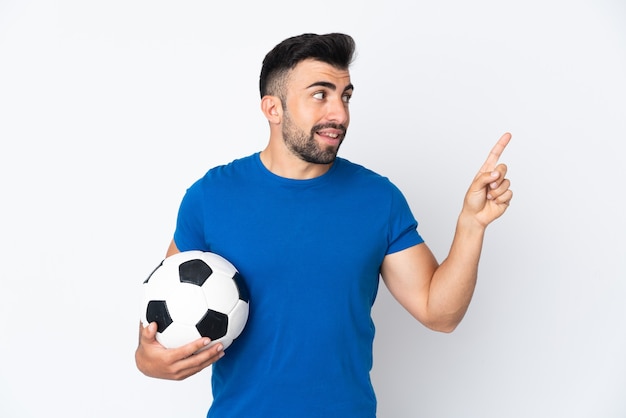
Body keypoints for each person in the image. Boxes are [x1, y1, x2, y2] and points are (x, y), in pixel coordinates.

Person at [135, 32, 513, 417]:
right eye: (321, 94)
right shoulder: (210, 197)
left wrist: (472, 225)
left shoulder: (377, 199)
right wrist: (149, 360)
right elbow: (158, 324)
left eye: (345, 96)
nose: (340, 113)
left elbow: (440, 313)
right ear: (273, 108)